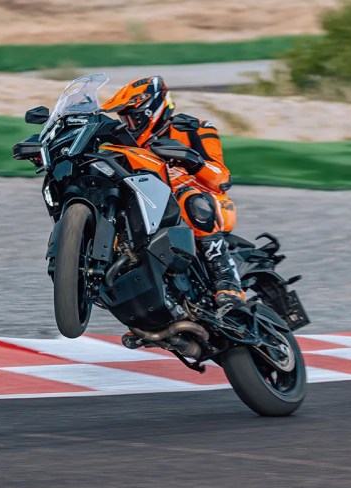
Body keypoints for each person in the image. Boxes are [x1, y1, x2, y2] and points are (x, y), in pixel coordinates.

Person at [101, 76, 245, 312]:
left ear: (151, 111)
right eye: (124, 117)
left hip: (205, 200)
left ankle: (228, 282)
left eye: (132, 116)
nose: (128, 123)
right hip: (151, 202)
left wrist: (191, 159)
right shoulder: (127, 142)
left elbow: (222, 179)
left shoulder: (195, 127)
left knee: (193, 202)